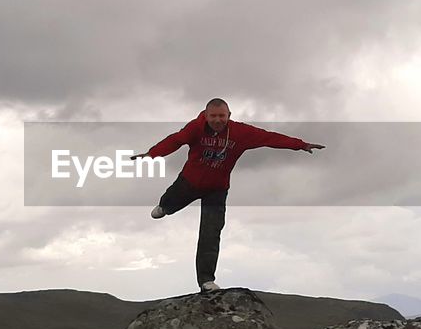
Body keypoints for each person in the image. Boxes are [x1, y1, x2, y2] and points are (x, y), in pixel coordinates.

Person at [130, 98, 325, 293]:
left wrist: (301, 145)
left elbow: (269, 138)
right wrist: (151, 154)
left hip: (217, 189)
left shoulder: (240, 133)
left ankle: (206, 280)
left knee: (211, 232)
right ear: (206, 116)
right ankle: (166, 206)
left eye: (221, 116)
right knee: (170, 201)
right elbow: (176, 140)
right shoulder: (196, 128)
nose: (217, 120)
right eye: (213, 116)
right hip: (190, 182)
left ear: (229, 116)